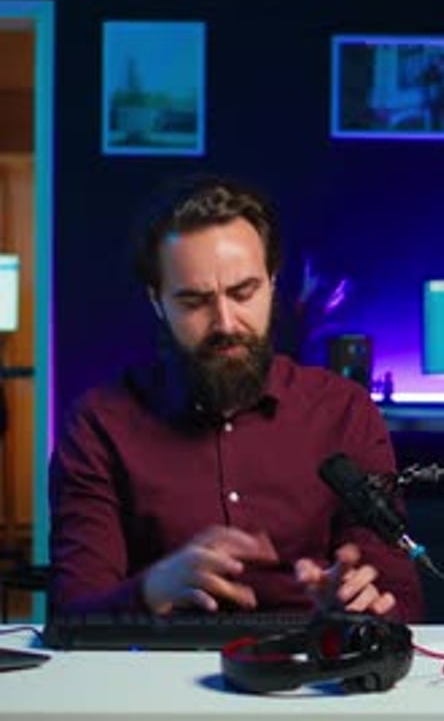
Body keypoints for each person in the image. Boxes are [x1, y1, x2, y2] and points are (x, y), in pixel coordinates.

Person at [48, 173, 424, 621]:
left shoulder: (343, 412)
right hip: (156, 660)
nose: (225, 323)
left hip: (312, 657)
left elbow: (402, 597)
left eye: (243, 293)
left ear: (272, 283)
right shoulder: (99, 425)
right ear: (157, 302)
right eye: (194, 302)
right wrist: (151, 591)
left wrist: (358, 602)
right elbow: (73, 612)